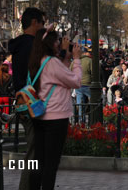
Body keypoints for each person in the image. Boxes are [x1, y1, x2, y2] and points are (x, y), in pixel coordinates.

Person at [28, 28, 82, 190]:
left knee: (39, 160)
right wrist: (77, 60)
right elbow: (75, 81)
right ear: (50, 43)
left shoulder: (38, 60)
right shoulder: (51, 63)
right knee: (50, 163)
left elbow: (60, 75)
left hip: (40, 116)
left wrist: (64, 56)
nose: (60, 43)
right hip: (55, 118)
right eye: (57, 41)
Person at [8, 7, 46, 190]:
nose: (44, 27)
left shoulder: (19, 45)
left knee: (36, 153)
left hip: (23, 102)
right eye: (42, 23)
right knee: (34, 154)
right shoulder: (32, 46)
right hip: (32, 104)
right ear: (34, 23)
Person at [72, 48, 92, 124]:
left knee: (80, 105)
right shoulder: (89, 61)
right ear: (85, 53)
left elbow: (70, 70)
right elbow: (94, 73)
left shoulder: (75, 61)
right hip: (88, 84)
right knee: (94, 102)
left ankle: (81, 122)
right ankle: (92, 120)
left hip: (78, 85)